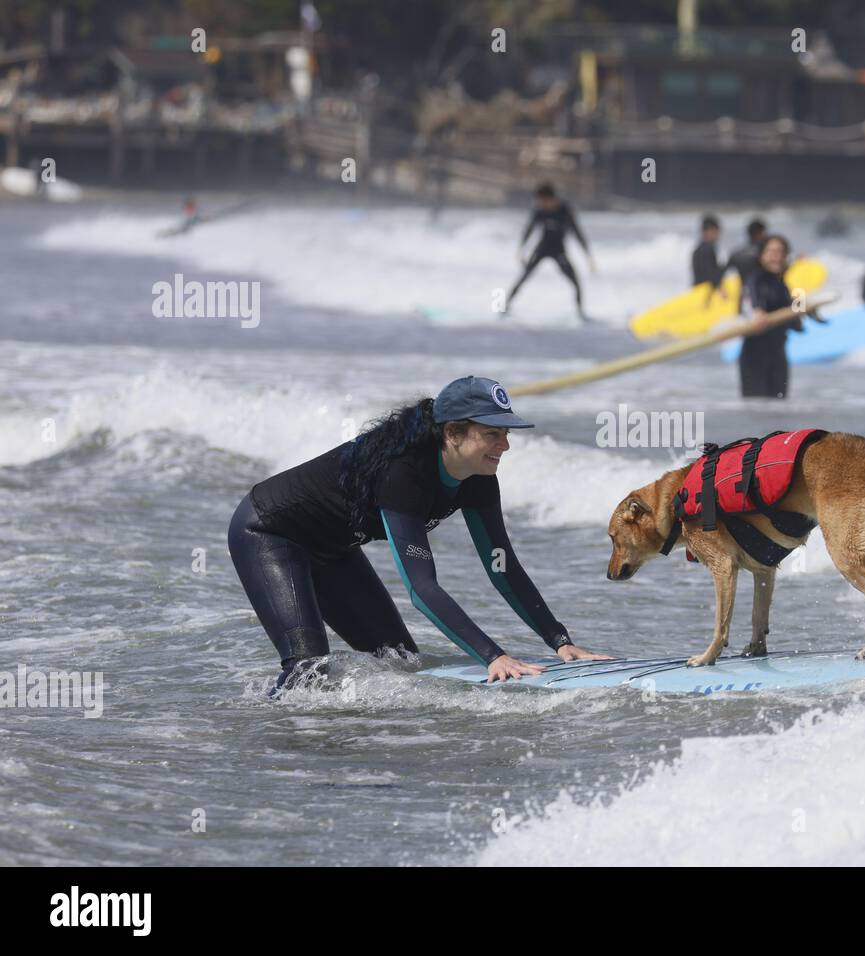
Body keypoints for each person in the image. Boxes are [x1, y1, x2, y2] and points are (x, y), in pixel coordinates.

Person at [228, 376, 609, 693]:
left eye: (506, 433)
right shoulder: (403, 473)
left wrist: (560, 641)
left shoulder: (478, 478)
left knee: (399, 661)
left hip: (333, 550)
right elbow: (422, 589)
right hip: (270, 532)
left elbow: (502, 567)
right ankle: (273, 748)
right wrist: (493, 656)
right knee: (308, 670)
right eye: (492, 433)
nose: (505, 446)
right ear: (453, 433)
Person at [738, 234, 813, 400]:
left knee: (779, 409)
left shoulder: (783, 286)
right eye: (771, 252)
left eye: (780, 252)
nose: (776, 257)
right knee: (757, 409)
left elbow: (797, 326)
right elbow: (750, 299)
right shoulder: (755, 279)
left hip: (778, 354)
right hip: (755, 357)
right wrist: (757, 311)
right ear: (761, 256)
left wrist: (800, 310)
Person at [505, 183, 594, 321]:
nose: (540, 204)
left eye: (542, 201)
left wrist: (587, 255)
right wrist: (521, 250)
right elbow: (529, 230)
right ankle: (506, 307)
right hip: (542, 249)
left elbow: (577, 232)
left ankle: (580, 313)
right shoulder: (540, 211)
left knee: (575, 282)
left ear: (550, 198)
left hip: (559, 250)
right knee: (524, 276)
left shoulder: (565, 211)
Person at [714, 217, 767, 309]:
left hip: (743, 297)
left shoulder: (735, 253)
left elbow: (721, 274)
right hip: (762, 295)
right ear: (760, 233)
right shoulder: (764, 252)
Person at [692, 214, 723, 287]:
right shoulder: (708, 249)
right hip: (705, 293)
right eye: (716, 231)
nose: (718, 235)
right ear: (710, 231)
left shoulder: (697, 249)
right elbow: (711, 277)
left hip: (697, 290)